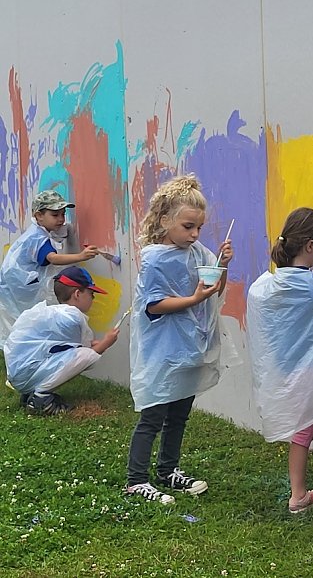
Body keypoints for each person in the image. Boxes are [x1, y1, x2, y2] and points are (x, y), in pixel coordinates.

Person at [124, 175, 233, 505]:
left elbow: (213, 290)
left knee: (180, 413)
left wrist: (222, 266)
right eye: (188, 226)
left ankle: (167, 469)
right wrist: (193, 299)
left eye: (199, 227)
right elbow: (154, 305)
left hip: (188, 347)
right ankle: (136, 479)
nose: (195, 234)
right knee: (153, 416)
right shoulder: (156, 258)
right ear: (164, 220)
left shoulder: (198, 252)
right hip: (162, 350)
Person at [246, 207, 313, 514]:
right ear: (310, 246)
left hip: (288, 372)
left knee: (301, 432)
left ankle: (298, 496)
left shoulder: (263, 287)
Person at [3, 266, 119, 415]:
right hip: (25, 374)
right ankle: (40, 400)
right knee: (87, 356)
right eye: (91, 294)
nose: (93, 299)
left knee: (82, 353)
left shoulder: (55, 313)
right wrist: (106, 343)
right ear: (77, 294)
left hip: (18, 375)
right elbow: (85, 354)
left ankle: (30, 394)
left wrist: (98, 343)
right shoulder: (73, 317)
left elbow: (66, 347)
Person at [0, 190, 99, 345]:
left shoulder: (36, 233)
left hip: (12, 292)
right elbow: (52, 258)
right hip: (18, 294)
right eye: (55, 215)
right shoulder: (38, 238)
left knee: (20, 332)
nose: (61, 219)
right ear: (39, 216)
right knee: (23, 333)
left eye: (62, 214)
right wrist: (81, 256)